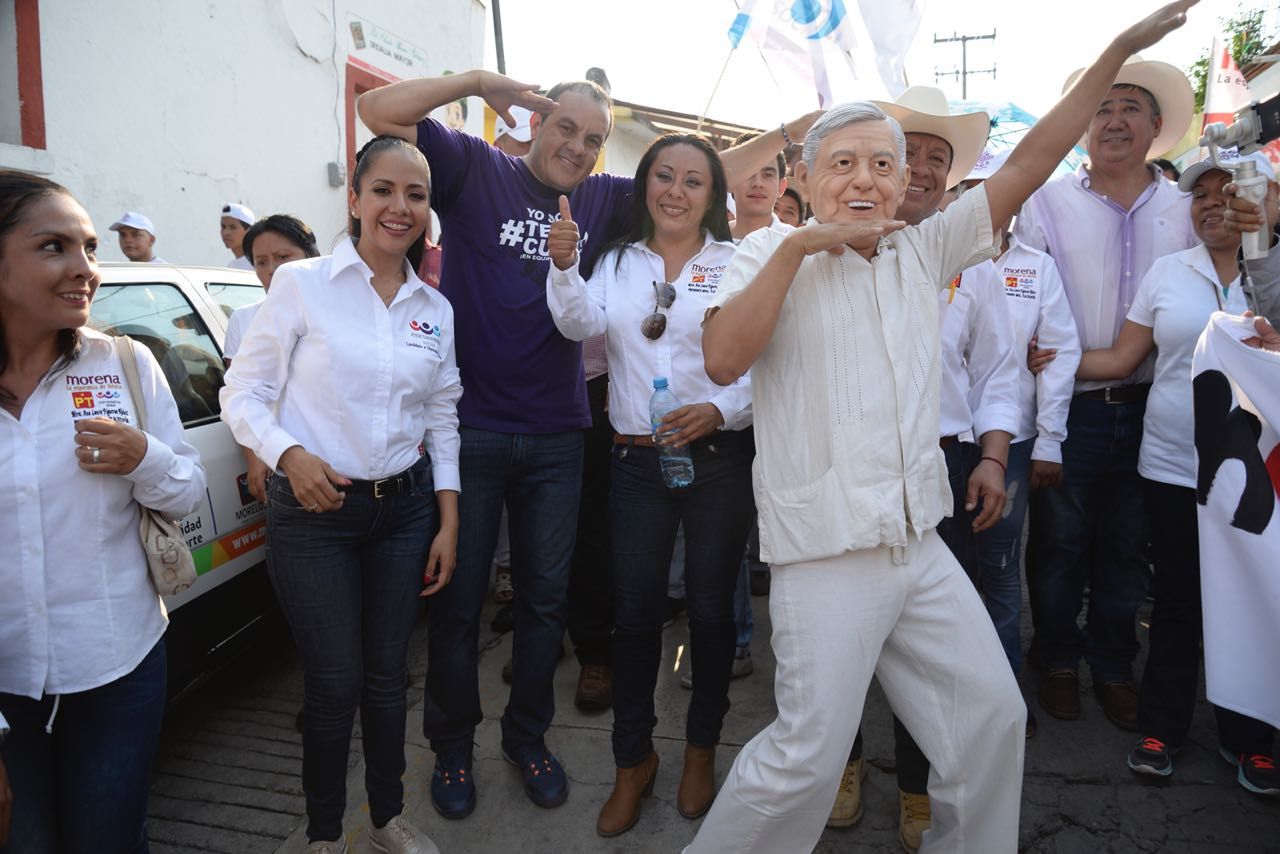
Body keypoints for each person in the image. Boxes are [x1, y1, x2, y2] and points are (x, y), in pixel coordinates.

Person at [688, 5, 1195, 852]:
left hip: (916, 537)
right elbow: (723, 361)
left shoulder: (923, 251)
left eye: (883, 165)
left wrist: (1116, 53)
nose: (867, 180)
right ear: (805, 182)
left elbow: (1033, 162)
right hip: (826, 551)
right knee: (808, 755)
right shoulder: (763, 253)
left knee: (991, 716)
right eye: (843, 163)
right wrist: (796, 248)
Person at [357, 68, 818, 817]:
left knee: (545, 602)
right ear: (536, 122)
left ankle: (528, 738)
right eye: (565, 127)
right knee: (462, 604)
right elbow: (375, 108)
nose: (577, 146)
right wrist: (479, 81)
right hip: (471, 426)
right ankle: (450, 750)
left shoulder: (607, 200)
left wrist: (793, 132)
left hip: (560, 434)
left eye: (594, 139)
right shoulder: (478, 168)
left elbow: (698, 169)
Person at [221, 135, 460, 854]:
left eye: (415, 195)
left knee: (388, 678)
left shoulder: (434, 310)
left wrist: (448, 521)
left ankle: (385, 818)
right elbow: (244, 392)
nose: (400, 207)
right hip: (316, 517)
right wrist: (289, 455)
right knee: (334, 683)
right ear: (354, 200)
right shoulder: (303, 285)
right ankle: (325, 835)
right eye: (384, 190)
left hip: (406, 511)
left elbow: (443, 415)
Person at [821, 88, 1021, 849]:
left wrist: (994, 458)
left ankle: (918, 787)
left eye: (939, 159)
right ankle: (838, 765)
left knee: (931, 648)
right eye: (914, 154)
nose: (926, 170)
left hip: (942, 468)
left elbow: (1001, 371)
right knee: (842, 641)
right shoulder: (820, 248)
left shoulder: (970, 263)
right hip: (846, 468)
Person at [546, 133, 755, 836]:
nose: (675, 190)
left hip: (719, 459)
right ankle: (632, 762)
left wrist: (721, 407)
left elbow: (763, 362)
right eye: (663, 176)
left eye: (693, 181)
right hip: (635, 463)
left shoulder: (736, 264)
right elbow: (577, 323)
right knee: (633, 618)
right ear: (645, 187)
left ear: (713, 196)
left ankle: (700, 751)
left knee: (710, 613)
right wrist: (566, 265)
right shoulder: (615, 260)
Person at [0, 171, 206, 852]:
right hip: (5, 686)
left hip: (118, 668)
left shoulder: (125, 365)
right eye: (54, 247)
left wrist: (142, 456)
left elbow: (184, 492)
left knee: (108, 838)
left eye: (89, 247)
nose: (85, 269)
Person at [1061, 153, 1278, 796]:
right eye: (1200, 194)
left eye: (1229, 190)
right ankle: (1163, 728)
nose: (1214, 202)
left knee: (1251, 600)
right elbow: (1125, 357)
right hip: (1172, 467)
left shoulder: (1272, 271)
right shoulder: (1167, 272)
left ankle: (1251, 739)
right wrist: (1043, 358)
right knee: (1179, 600)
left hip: (1256, 474)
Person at [1015, 51, 1198, 730]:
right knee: (1060, 540)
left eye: (1130, 108)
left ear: (1156, 128)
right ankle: (1058, 658)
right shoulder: (1046, 203)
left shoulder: (1186, 209)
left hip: (1158, 407)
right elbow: (1031, 301)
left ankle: (1115, 665)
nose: (1114, 120)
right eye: (1102, 108)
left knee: (1129, 543)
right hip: (1071, 407)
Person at [222, 214, 320, 506]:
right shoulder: (244, 319)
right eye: (261, 262)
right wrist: (255, 457)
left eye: (283, 257)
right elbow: (240, 395)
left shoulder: (336, 313)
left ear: (311, 256)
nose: (272, 270)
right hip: (280, 463)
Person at [221, 202, 256, 269]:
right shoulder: (231, 266)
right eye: (223, 227)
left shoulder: (256, 264)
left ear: (248, 231)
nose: (226, 232)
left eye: (233, 227)